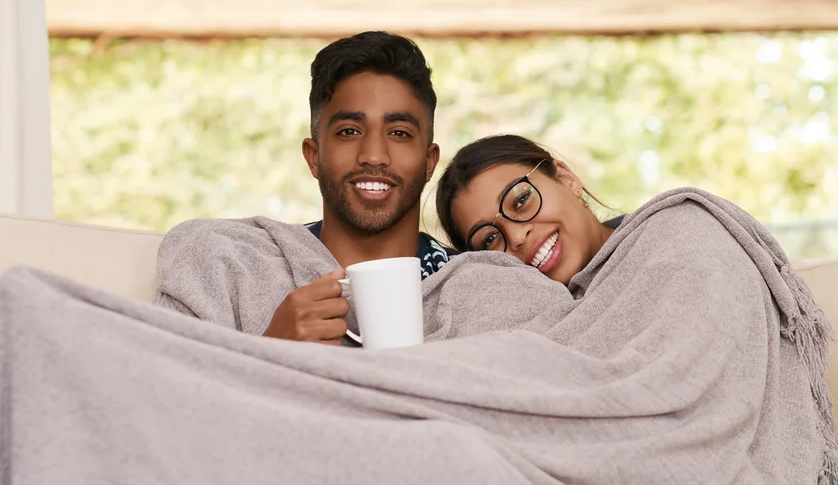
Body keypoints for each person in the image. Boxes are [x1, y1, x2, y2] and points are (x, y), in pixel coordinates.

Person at [267, 31, 456, 344]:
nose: (374, 156)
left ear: (429, 162)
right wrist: (270, 348)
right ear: (314, 158)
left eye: (399, 133)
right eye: (349, 131)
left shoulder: (479, 286)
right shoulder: (236, 264)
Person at [434, 134, 624, 285]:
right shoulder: (514, 329)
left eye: (521, 200)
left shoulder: (653, 231)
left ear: (566, 179)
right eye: (489, 239)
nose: (516, 237)